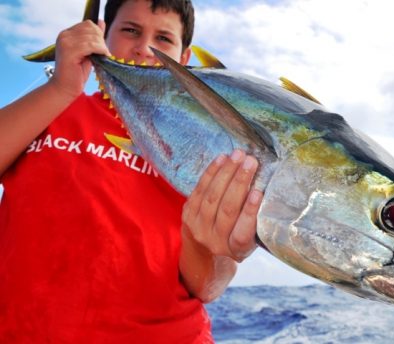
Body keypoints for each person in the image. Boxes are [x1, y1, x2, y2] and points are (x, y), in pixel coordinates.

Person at [0, 0, 263, 342]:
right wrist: (60, 89)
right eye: (130, 31)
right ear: (102, 36)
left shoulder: (214, 149)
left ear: (183, 61)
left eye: (164, 39)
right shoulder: (51, 110)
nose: (143, 49)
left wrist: (209, 245)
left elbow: (207, 286)